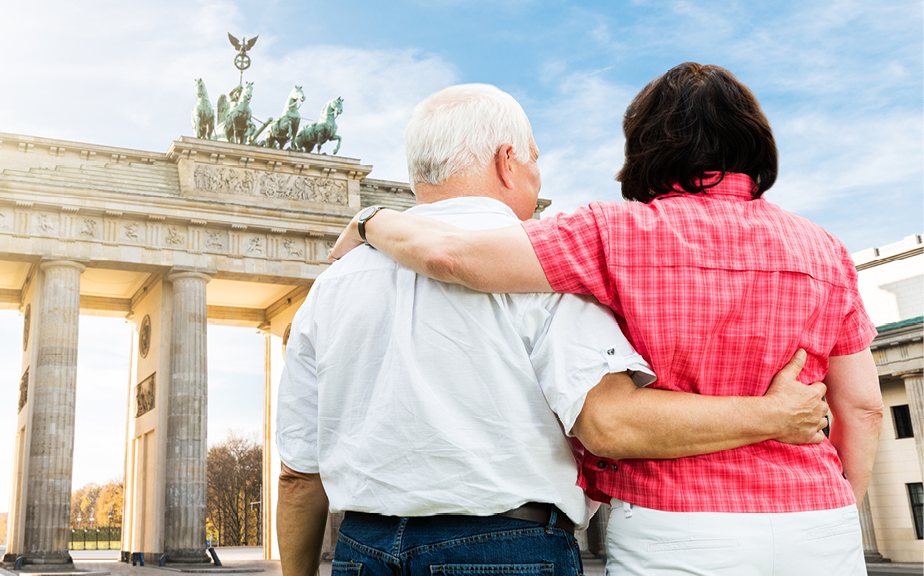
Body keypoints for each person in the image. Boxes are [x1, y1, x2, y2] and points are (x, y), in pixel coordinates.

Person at [328, 66, 885, 575]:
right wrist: (834, 508)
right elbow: (861, 408)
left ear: (645, 145)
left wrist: (373, 219)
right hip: (817, 519)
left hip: (674, 523)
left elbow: (453, 257)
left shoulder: (610, 232)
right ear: (755, 140)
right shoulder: (825, 249)